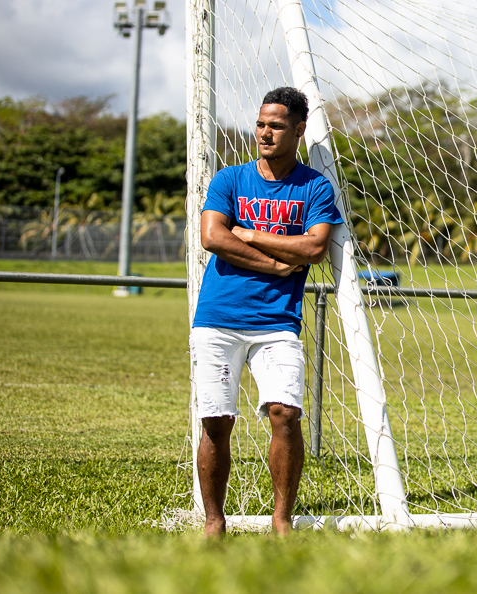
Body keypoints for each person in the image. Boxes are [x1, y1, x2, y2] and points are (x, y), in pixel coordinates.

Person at [190, 87, 343, 537]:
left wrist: (251, 234)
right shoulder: (229, 180)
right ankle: (214, 523)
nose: (264, 133)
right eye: (260, 124)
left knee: (285, 414)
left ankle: (282, 521)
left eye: (276, 125)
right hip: (218, 319)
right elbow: (213, 237)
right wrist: (275, 264)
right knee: (216, 420)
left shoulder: (314, 186)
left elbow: (314, 248)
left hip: (277, 321)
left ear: (299, 130)